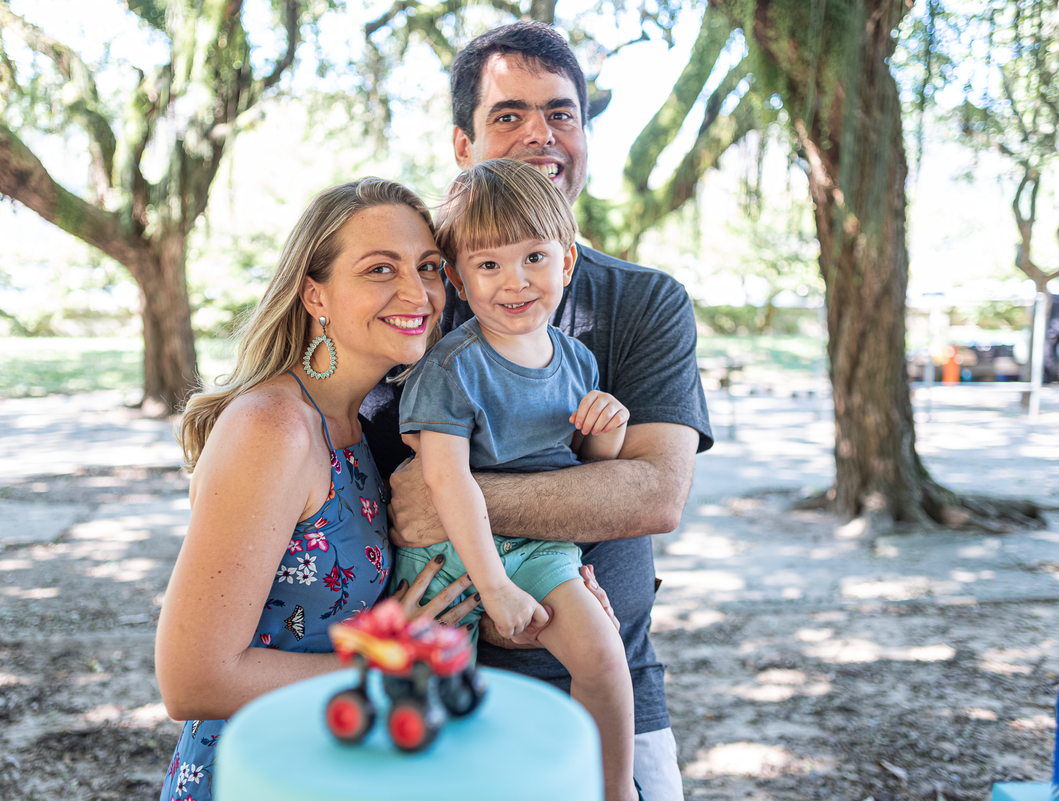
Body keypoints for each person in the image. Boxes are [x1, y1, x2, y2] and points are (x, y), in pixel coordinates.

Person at [359, 22, 714, 801]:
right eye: (508, 115)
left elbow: (654, 493)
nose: (540, 136)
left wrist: (456, 498)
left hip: (603, 678)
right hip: (444, 670)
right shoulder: (416, 309)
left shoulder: (640, 303)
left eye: (561, 114)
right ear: (463, 144)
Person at [155, 178, 482, 801]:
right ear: (315, 293)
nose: (417, 292)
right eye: (380, 269)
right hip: (253, 773)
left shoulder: (353, 425)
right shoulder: (273, 427)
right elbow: (191, 679)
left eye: (429, 267)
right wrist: (378, 660)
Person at [393, 158, 637, 801]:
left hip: (540, 549)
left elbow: (591, 469)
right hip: (445, 558)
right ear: (459, 278)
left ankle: (614, 792)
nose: (515, 281)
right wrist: (492, 587)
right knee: (431, 710)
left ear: (567, 262)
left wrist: (605, 426)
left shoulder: (576, 358)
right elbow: (445, 484)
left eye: (534, 256)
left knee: (605, 659)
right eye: (490, 264)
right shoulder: (451, 368)